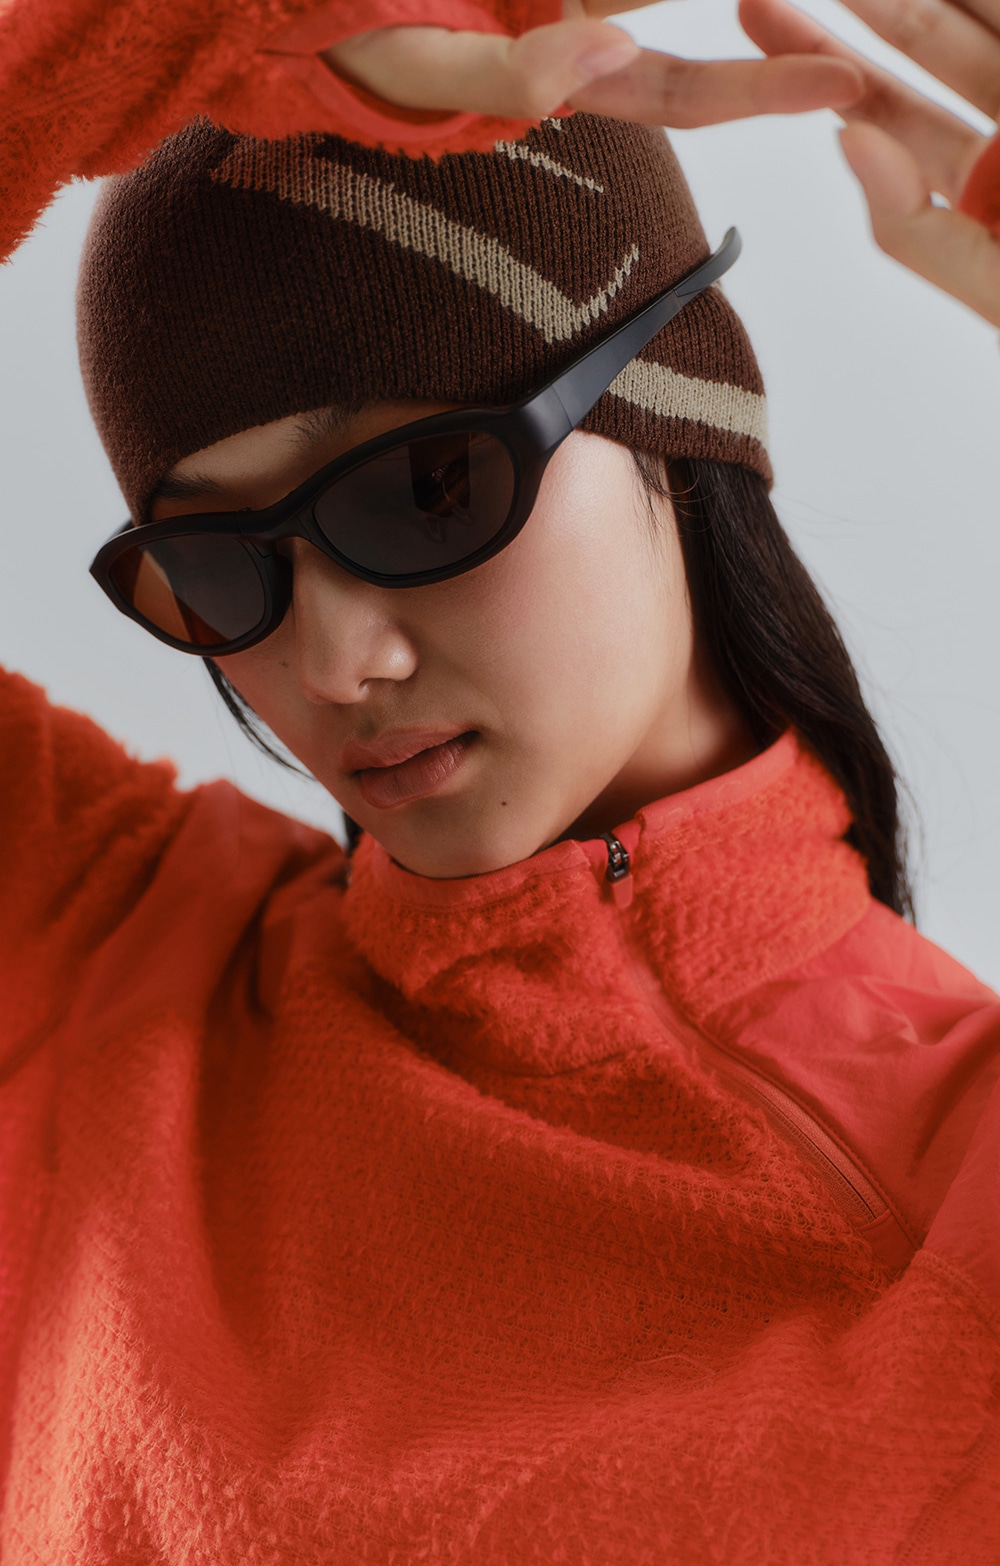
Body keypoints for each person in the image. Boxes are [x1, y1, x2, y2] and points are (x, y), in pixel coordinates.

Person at [1, 0, 1000, 1561]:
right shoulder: (98, 967)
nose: (334, 660)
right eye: (221, 564)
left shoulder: (957, 1183)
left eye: (426, 487)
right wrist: (174, 30)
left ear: (674, 404)